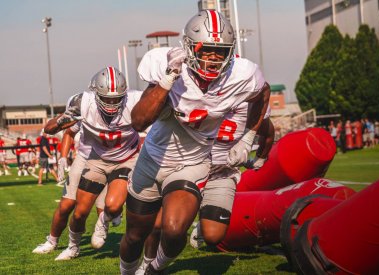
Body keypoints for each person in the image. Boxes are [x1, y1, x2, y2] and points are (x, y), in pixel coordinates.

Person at [119, 10, 270, 275]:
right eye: (206, 49)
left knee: (175, 229)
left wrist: (247, 139)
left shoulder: (243, 75)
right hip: (153, 160)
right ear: (189, 48)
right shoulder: (167, 64)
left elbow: (263, 92)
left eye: (220, 51)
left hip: (193, 162)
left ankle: (154, 269)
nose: (213, 58)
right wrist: (168, 77)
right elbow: (138, 122)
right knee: (134, 235)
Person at [135, 104, 275, 273]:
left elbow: (268, 134)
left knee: (213, 236)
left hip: (221, 174)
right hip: (185, 169)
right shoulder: (196, 94)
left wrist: (259, 159)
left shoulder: (249, 102)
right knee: (158, 224)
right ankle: (149, 264)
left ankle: (160, 262)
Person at [44, 67, 142, 260]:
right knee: (79, 212)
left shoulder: (135, 100)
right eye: (107, 98)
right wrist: (61, 121)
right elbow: (51, 129)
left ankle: (102, 222)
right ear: (96, 93)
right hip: (97, 159)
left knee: (113, 207)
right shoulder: (83, 102)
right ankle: (73, 247)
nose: (112, 103)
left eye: (117, 98)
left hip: (126, 159)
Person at [32, 124, 117, 259]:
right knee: (67, 204)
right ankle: (53, 241)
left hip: (111, 161)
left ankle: (103, 227)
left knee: (105, 207)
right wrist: (63, 157)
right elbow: (68, 132)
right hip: (84, 159)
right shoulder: (85, 105)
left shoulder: (123, 108)